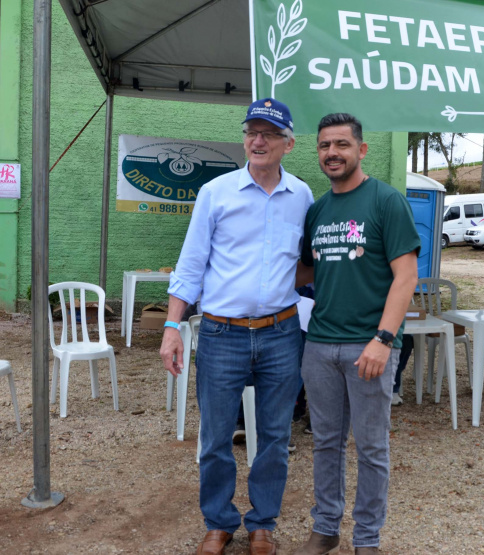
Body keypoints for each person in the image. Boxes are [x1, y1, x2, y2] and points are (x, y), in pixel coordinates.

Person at [159, 97, 313, 555]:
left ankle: (262, 522)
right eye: (251, 132)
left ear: (288, 143)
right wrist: (172, 326)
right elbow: (190, 266)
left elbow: (306, 265)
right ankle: (220, 521)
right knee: (215, 438)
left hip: (281, 333)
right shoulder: (215, 192)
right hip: (222, 333)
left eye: (268, 133)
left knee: (274, 438)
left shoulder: (302, 197)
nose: (258, 140)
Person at [293, 113, 419, 555]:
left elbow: (406, 276)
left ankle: (367, 540)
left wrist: (384, 339)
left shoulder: (386, 201)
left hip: (370, 346)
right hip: (320, 343)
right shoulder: (318, 210)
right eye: (325, 145)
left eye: (342, 145)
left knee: (371, 448)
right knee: (325, 442)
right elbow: (304, 269)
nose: (333, 153)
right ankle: (326, 528)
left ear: (361, 150)